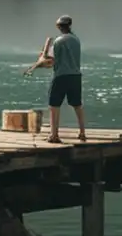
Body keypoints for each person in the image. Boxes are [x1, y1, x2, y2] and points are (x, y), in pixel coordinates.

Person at [33, 15, 85, 144]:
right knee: (77, 105)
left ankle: (54, 135)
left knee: (54, 106)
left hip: (61, 76)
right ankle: (82, 132)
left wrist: (41, 59)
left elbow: (50, 60)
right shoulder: (76, 40)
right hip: (75, 76)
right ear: (70, 25)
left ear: (59, 27)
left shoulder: (58, 41)